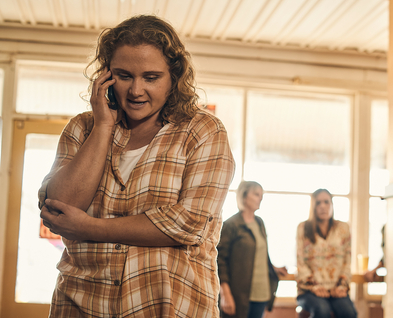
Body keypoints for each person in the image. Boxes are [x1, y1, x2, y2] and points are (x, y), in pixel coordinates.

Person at [38, 15, 235, 317]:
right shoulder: (82, 128)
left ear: (174, 78)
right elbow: (58, 207)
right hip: (80, 303)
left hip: (169, 307)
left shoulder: (203, 131)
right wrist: (104, 125)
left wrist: (88, 227)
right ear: (106, 76)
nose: (136, 90)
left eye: (151, 77)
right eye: (124, 76)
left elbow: (187, 224)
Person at [217, 181, 288, 318]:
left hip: (261, 292)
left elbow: (260, 253)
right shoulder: (231, 225)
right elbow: (220, 261)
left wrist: (273, 267)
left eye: (261, 195)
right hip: (238, 294)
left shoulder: (259, 222)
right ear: (244, 196)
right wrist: (225, 294)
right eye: (256, 194)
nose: (260, 198)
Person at [296, 189, 357, 318]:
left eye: (326, 202)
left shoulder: (343, 228)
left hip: (337, 289)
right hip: (310, 291)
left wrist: (341, 286)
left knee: (349, 312)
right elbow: (300, 261)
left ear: (332, 205)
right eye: (318, 203)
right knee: (322, 310)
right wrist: (315, 287)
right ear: (313, 206)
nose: (323, 206)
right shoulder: (303, 228)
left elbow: (347, 260)